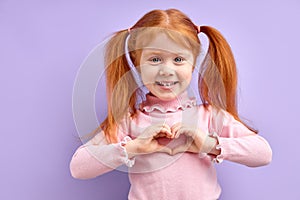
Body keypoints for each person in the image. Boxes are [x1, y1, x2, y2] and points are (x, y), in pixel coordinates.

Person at [70, 8, 272, 200]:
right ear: (137, 63)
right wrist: (133, 148)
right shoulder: (129, 122)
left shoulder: (209, 116)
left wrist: (208, 144)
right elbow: (78, 167)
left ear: (193, 63)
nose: (166, 70)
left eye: (178, 59)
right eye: (155, 59)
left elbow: (263, 153)